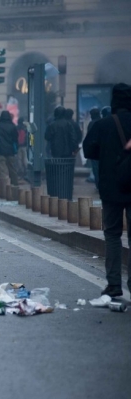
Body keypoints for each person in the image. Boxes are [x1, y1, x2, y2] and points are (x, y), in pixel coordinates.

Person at [83, 83, 131, 298]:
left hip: (111, 188)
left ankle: (114, 284)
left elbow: (89, 150)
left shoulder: (103, 125)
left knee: (112, 234)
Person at [0, 111, 19, 186]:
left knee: (2, 169)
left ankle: (5, 186)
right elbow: (15, 139)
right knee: (12, 168)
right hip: (10, 151)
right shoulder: (13, 126)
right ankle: (15, 185)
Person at [86, 108, 101, 188]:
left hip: (94, 149)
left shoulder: (91, 123)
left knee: (95, 168)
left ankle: (98, 184)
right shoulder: (104, 122)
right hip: (102, 149)